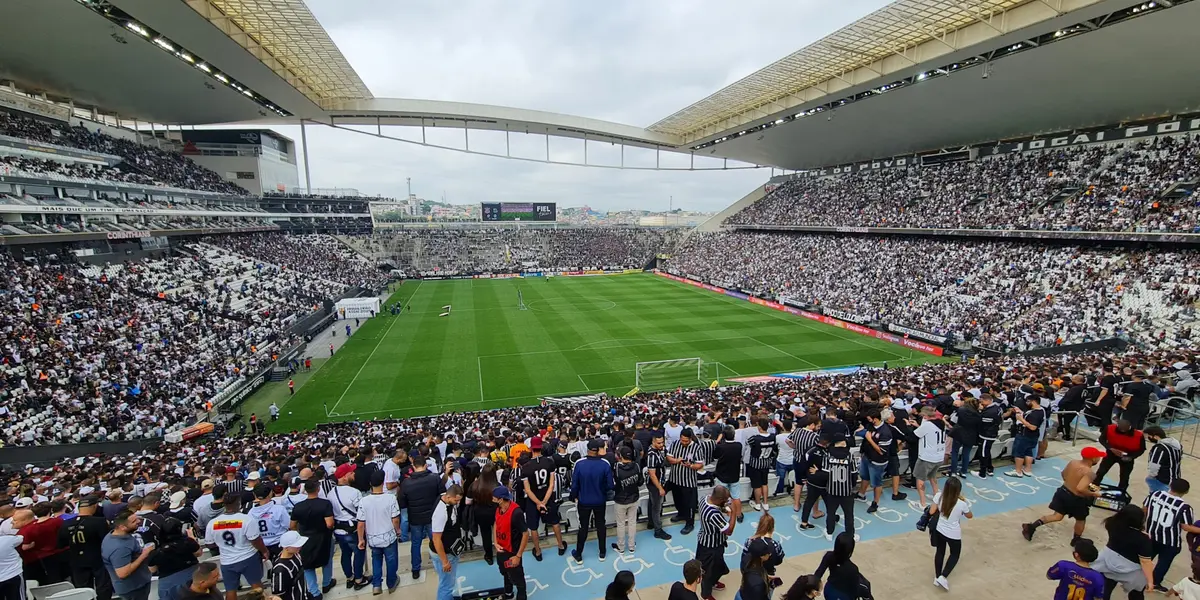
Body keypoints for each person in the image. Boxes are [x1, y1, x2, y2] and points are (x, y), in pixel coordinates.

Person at [1024, 446, 1107, 543]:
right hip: (1076, 499)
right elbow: (1080, 488)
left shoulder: (1073, 463)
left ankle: (1032, 526)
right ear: (1093, 458)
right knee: (1080, 519)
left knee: (1057, 516)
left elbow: (1064, 475)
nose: (1100, 459)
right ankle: (1076, 539)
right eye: (1098, 457)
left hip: (1063, 492)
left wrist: (1078, 484)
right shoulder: (1090, 473)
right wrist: (1094, 493)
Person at [203, 495, 268, 600]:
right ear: (238, 503)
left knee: (230, 590)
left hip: (227, 561)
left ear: (224, 505)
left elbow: (209, 544)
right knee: (257, 587)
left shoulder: (213, 523)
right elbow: (255, 540)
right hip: (248, 557)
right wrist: (264, 551)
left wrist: (222, 544)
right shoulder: (246, 519)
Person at [1144, 479, 1200, 592]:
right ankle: (1154, 582)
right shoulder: (1184, 507)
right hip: (1170, 540)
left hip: (1151, 533)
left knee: (1146, 557)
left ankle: (1138, 576)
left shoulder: (1155, 494)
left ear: (1170, 486)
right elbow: (1186, 526)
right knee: (1163, 563)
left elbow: (1144, 509)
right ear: (1186, 491)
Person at [1091, 504, 1154, 600]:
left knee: (1106, 588)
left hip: (1107, 561)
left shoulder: (1110, 524)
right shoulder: (1143, 539)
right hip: (1131, 569)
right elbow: (1145, 562)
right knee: (1137, 592)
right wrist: (1150, 581)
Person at [61, 495, 114, 600]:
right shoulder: (100, 521)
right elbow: (107, 541)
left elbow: (61, 544)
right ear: (94, 506)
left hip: (76, 559)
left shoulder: (66, 523)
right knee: (103, 587)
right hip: (98, 558)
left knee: (82, 590)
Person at [519, 436, 565, 559]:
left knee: (533, 527)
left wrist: (538, 503)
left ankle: (538, 551)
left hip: (533, 500)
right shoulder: (549, 462)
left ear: (530, 448)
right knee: (555, 522)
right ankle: (560, 545)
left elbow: (527, 490)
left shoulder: (526, 467)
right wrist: (544, 501)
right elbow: (551, 484)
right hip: (547, 497)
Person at [569, 439, 614, 564]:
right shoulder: (605, 464)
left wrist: (574, 496)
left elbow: (574, 485)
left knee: (583, 527)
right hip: (600, 500)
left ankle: (578, 554)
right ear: (598, 450)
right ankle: (602, 552)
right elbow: (610, 485)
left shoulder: (579, 463)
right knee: (601, 525)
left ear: (588, 449)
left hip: (584, 501)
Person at [290, 479, 336, 598]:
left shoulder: (298, 507)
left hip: (305, 538)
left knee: (308, 565)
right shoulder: (325, 504)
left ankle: (314, 592)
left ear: (305, 490)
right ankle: (326, 583)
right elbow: (329, 523)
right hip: (323, 536)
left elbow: (292, 525)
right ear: (318, 489)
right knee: (326, 560)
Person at [357, 470, 400, 595]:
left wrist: (361, 539)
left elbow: (360, 523)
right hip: (388, 536)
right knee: (391, 560)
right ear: (383, 482)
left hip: (372, 537)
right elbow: (395, 519)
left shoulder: (364, 501)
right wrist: (397, 530)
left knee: (376, 560)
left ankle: (376, 585)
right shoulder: (391, 498)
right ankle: (391, 583)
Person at [696, 485, 741, 600]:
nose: (727, 502)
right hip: (709, 547)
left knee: (718, 566)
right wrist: (734, 513)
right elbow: (729, 531)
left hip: (715, 542)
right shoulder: (713, 514)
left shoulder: (704, 499)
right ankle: (705, 595)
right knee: (707, 572)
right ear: (720, 500)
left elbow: (719, 507)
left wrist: (724, 509)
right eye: (725, 501)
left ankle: (714, 582)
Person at [928, 476, 972, 591]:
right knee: (955, 554)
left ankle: (937, 576)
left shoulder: (939, 496)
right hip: (953, 533)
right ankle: (943, 576)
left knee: (940, 552)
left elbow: (932, 511)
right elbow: (970, 515)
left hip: (939, 529)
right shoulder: (961, 503)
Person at [399, 452, 439, 579]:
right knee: (436, 540)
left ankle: (415, 568)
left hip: (415, 517)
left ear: (413, 466)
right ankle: (439, 563)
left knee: (416, 543)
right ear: (426, 465)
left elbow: (402, 503)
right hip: (432, 516)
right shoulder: (435, 478)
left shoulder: (406, 483)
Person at [328, 464, 367, 590]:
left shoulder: (331, 493)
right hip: (352, 529)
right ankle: (359, 579)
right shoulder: (354, 492)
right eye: (351, 472)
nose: (354, 474)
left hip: (339, 529)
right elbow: (361, 512)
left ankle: (349, 577)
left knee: (345, 554)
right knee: (359, 552)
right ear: (345, 476)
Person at [101, 511, 155, 600]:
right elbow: (122, 573)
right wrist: (143, 555)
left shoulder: (118, 535)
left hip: (138, 584)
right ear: (122, 527)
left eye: (137, 518)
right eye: (134, 521)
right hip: (133, 589)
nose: (138, 521)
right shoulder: (119, 548)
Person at [148, 517, 202, 600]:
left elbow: (153, 570)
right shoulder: (188, 543)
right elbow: (198, 553)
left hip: (168, 584)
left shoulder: (157, 552)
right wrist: (192, 538)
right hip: (191, 579)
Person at [430, 484, 465, 600]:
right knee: (446, 585)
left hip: (451, 550)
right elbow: (436, 539)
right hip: (445, 554)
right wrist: (445, 561)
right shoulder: (441, 512)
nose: (457, 503)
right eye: (456, 500)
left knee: (447, 582)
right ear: (449, 497)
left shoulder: (446, 498)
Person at [492, 487, 528, 600]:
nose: (492, 499)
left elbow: (526, 534)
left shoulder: (516, 513)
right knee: (505, 573)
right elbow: (496, 523)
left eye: (494, 498)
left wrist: (518, 555)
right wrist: (496, 542)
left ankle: (522, 596)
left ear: (501, 499)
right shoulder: (498, 508)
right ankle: (508, 593)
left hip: (512, 553)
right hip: (501, 550)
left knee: (518, 578)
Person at [668, 430, 706, 535]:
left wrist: (691, 466)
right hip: (675, 478)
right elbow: (669, 457)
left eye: (686, 441)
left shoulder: (697, 447)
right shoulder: (675, 444)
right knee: (678, 500)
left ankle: (690, 523)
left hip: (689, 481)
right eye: (682, 440)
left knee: (690, 504)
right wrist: (677, 461)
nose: (684, 442)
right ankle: (681, 514)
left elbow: (700, 464)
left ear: (690, 439)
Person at [822, 433, 859, 541]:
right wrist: (851, 486)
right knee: (849, 514)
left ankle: (829, 533)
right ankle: (850, 535)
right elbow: (854, 474)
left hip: (832, 490)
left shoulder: (828, 455)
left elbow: (825, 474)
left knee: (831, 513)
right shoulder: (850, 456)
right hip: (846, 491)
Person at [1095, 420, 1147, 493]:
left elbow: (1142, 449)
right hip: (1111, 454)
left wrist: (1131, 457)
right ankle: (1092, 488)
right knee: (1101, 472)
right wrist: (1111, 448)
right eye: (1120, 430)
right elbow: (1102, 439)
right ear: (1117, 426)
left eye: (1124, 430)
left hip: (1128, 456)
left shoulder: (1139, 435)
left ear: (1129, 427)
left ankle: (1121, 493)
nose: (1122, 431)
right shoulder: (1109, 428)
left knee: (1124, 477)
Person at [814, 532, 870, 600]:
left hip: (829, 590)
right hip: (843, 596)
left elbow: (818, 573)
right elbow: (854, 590)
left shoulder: (828, 556)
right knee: (866, 587)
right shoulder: (853, 568)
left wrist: (813, 589)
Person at [856, 410, 891, 514]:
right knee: (864, 476)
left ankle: (875, 502)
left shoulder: (885, 432)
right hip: (867, 457)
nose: (868, 420)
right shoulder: (871, 425)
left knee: (876, 483)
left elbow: (881, 451)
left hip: (877, 461)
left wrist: (870, 440)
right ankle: (861, 494)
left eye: (870, 418)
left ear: (875, 418)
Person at [611, 446, 643, 555]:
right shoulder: (637, 466)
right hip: (633, 498)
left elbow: (613, 485)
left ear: (620, 456)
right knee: (632, 522)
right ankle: (631, 546)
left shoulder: (616, 468)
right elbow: (640, 482)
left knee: (620, 524)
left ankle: (621, 547)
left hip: (620, 500)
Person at [912, 406, 946, 507]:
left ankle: (922, 503)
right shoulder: (941, 423)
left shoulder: (927, 425)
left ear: (925, 416)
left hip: (927, 457)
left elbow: (914, 436)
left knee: (920, 479)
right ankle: (936, 495)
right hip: (939, 455)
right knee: (932, 476)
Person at [467, 462, 500, 565]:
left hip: (480, 513)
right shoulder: (497, 486)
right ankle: (500, 553)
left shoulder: (474, 485)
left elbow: (468, 501)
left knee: (486, 535)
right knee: (498, 534)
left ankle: (489, 556)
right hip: (495, 513)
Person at [1009, 394, 1046, 477]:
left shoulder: (1035, 414)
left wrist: (1021, 419)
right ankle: (1027, 469)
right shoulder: (1039, 410)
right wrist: (1020, 412)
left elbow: (1033, 427)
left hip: (1025, 435)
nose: (1026, 403)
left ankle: (1018, 471)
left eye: (1028, 401)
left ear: (1033, 401)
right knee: (1028, 452)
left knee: (1019, 452)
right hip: (1032, 436)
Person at [746, 416, 778, 512]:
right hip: (766, 463)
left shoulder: (755, 438)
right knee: (764, 483)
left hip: (755, 463)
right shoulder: (773, 437)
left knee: (756, 485)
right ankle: (765, 502)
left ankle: (758, 503)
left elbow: (749, 443)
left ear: (759, 427)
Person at [646, 433, 673, 540]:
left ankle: (651, 523)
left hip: (657, 482)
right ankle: (658, 530)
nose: (661, 444)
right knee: (657, 508)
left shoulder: (658, 451)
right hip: (655, 484)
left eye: (662, 442)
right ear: (653, 442)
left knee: (652, 504)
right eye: (659, 443)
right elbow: (652, 474)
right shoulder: (652, 455)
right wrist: (660, 488)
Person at [949, 395, 981, 478]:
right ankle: (963, 471)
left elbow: (954, 420)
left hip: (959, 433)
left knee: (955, 453)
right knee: (966, 454)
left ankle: (953, 472)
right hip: (971, 435)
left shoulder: (961, 410)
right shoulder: (978, 414)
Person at [271, 531, 309, 600]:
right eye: (297, 546)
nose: (300, 547)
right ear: (287, 548)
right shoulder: (280, 569)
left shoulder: (296, 555)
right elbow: (278, 594)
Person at [1146, 426, 1183, 495]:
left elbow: (1154, 465)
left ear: (1156, 436)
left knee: (1155, 499)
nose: (1149, 438)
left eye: (1149, 436)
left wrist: (1151, 476)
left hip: (1162, 480)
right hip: (1175, 478)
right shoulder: (1177, 445)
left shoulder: (1159, 448)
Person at [976, 392, 1003, 477]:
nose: (981, 404)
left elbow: (983, 424)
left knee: (983, 453)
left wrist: (980, 412)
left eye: (981, 402)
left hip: (986, 435)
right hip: (992, 433)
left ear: (987, 400)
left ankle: (982, 472)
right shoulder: (998, 408)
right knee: (987, 451)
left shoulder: (989, 412)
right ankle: (990, 468)